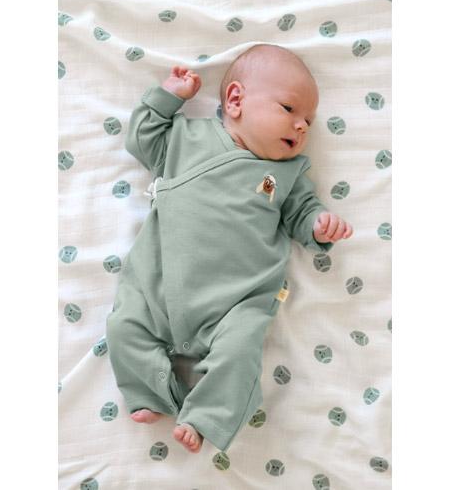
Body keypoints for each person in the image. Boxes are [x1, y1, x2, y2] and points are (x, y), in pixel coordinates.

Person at [106, 44, 353, 454]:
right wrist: (167, 98)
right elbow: (142, 138)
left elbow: (302, 213)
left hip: (237, 301)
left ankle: (207, 415)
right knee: (124, 327)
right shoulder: (186, 138)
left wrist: (318, 224)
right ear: (236, 100)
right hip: (159, 286)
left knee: (240, 353)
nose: (302, 126)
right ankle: (150, 390)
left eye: (308, 121)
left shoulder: (286, 174)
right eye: (289, 109)